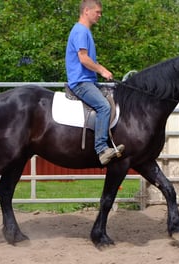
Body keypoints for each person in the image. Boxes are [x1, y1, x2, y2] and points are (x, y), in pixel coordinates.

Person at [65, 0, 125, 165]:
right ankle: (101, 150)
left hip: (88, 81)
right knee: (104, 106)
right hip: (81, 82)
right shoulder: (80, 31)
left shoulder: (85, 31)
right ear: (86, 11)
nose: (99, 15)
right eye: (97, 12)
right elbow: (83, 59)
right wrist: (102, 70)